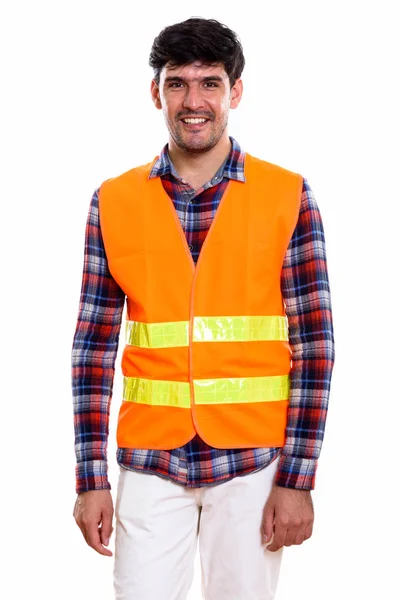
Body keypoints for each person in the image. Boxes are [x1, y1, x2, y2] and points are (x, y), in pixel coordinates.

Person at [71, 16, 335, 600]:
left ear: (235, 92)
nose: (194, 101)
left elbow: (316, 346)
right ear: (156, 92)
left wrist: (297, 478)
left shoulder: (287, 195)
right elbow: (91, 348)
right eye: (177, 83)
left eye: (210, 83)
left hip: (254, 462)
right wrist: (91, 478)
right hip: (149, 459)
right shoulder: (112, 201)